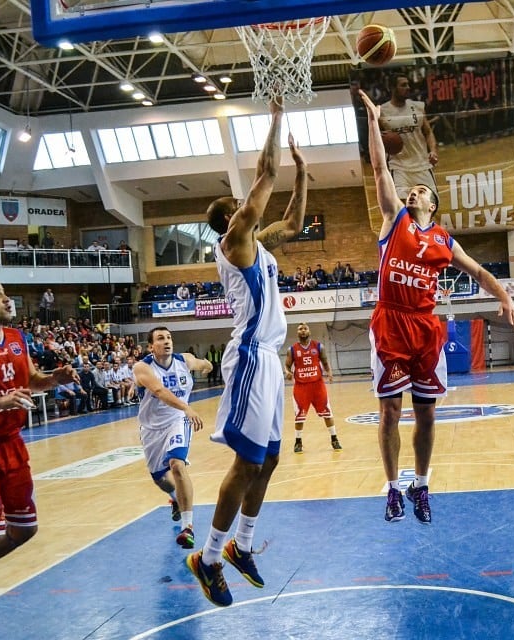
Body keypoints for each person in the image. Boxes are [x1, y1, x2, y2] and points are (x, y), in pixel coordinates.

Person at [358, 89, 514, 525]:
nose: (411, 193)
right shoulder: (394, 219)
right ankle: (393, 489)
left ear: (432, 202)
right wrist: (374, 121)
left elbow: (481, 273)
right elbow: (378, 168)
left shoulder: (445, 240)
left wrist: (503, 296)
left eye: (418, 191)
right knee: (390, 410)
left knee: (427, 414)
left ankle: (422, 484)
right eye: (408, 190)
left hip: (426, 326)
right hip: (391, 320)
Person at [186, 97, 308, 608]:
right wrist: (276, 117)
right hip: (251, 357)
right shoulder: (236, 239)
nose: (247, 203)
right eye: (239, 203)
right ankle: (208, 557)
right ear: (232, 218)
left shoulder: (259, 243)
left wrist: (303, 175)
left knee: (271, 459)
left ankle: (243, 544)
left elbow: (295, 225)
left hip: (271, 361)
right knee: (246, 462)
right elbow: (265, 169)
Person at [0, 277, 79, 637]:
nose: (6, 299)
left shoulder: (16, 339)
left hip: (13, 443)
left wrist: (54, 378)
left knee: (24, 530)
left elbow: (32, 380)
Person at [134, 326, 212, 549]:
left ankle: (187, 528)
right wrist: (187, 406)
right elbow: (158, 391)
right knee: (160, 478)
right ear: (151, 347)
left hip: (177, 420)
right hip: (151, 428)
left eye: (168, 337)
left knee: (177, 465)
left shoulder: (183, 360)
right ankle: (176, 499)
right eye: (160, 338)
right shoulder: (142, 367)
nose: (166, 341)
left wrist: (208, 365)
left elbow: (201, 362)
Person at [377, 73, 439, 199]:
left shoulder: (418, 106)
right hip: (399, 167)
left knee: (431, 205)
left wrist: (433, 151)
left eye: (408, 84)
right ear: (393, 88)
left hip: (422, 164)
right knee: (403, 207)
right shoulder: (382, 111)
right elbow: (376, 140)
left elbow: (427, 132)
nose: (408, 87)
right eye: (403, 85)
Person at [284, 323, 341, 453]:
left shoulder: (319, 346)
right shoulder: (292, 349)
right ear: (297, 333)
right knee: (299, 416)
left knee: (327, 413)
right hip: (301, 387)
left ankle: (334, 439)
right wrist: (287, 372)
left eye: (305, 329)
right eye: (300, 329)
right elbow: (287, 366)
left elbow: (325, 362)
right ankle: (298, 442)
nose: (303, 331)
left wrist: (330, 373)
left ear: (309, 331)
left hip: (317, 385)